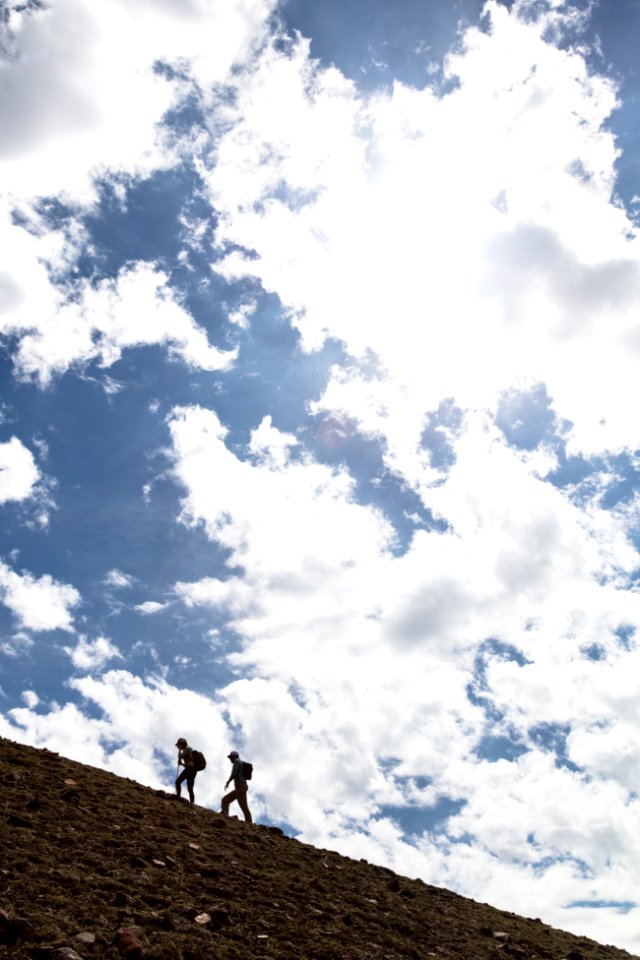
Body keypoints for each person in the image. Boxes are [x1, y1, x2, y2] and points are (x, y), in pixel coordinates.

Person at [221, 750, 252, 823]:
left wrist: (228, 782)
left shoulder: (237, 761)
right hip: (239, 788)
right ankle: (225, 817)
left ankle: (249, 823)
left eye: (230, 757)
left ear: (234, 756)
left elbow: (234, 773)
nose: (230, 759)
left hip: (241, 787)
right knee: (225, 800)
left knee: (244, 807)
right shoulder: (239, 762)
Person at [175, 737, 197, 804]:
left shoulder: (187, 748)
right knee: (190, 788)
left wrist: (179, 750)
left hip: (189, 769)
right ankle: (192, 803)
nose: (178, 746)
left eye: (179, 745)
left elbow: (180, 757)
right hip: (192, 770)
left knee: (178, 782)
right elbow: (188, 763)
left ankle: (178, 796)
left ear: (182, 744)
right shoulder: (188, 749)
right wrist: (181, 763)